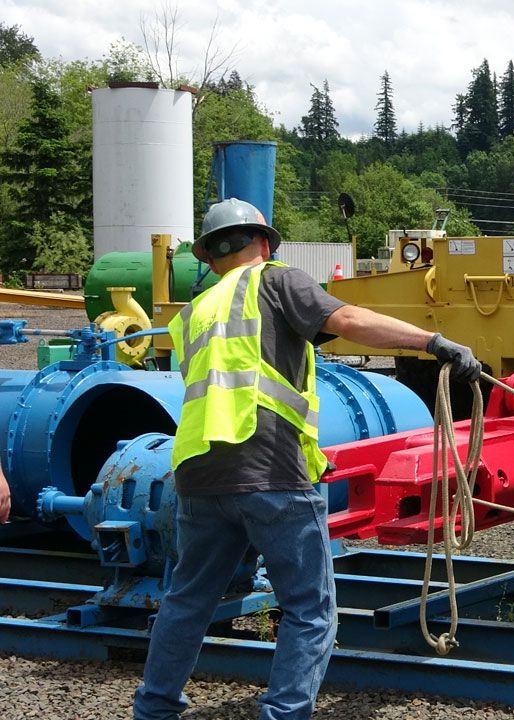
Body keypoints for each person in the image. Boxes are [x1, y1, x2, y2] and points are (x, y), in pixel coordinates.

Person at [133, 198, 480, 720]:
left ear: (209, 255)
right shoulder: (276, 280)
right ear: (265, 242)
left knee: (187, 600)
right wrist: (431, 341)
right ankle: (284, 713)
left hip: (199, 473)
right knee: (310, 610)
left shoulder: (193, 313)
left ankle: (154, 709)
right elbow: (348, 319)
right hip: (271, 467)